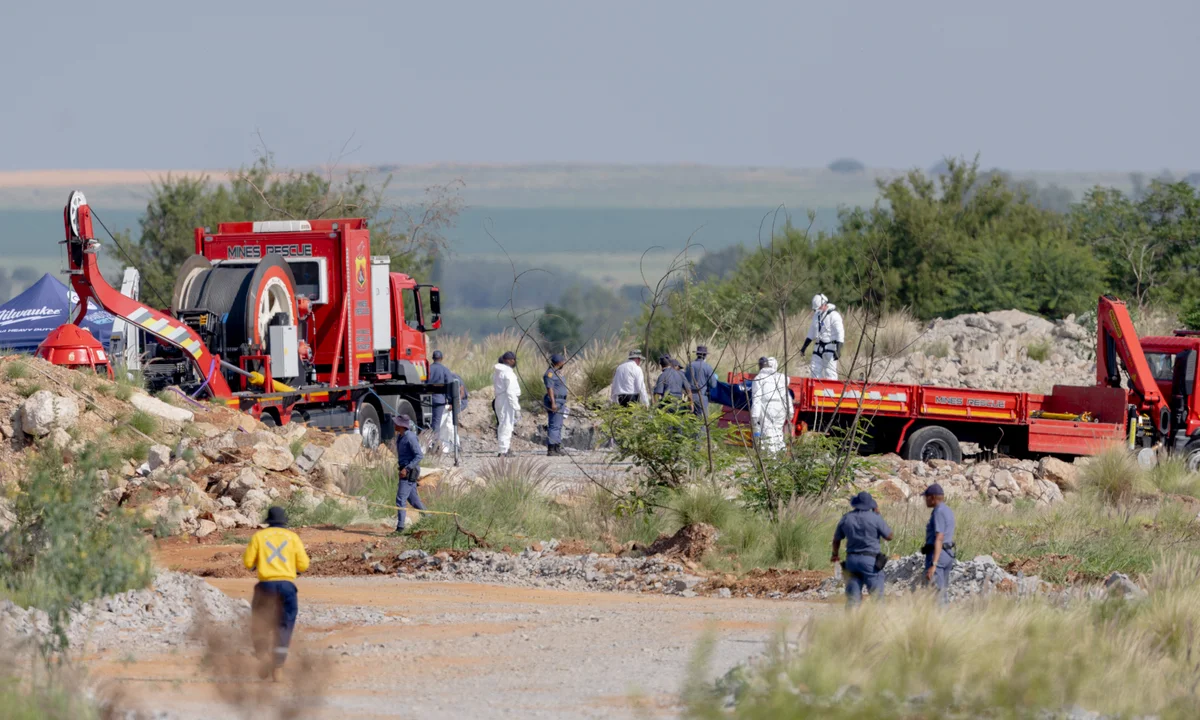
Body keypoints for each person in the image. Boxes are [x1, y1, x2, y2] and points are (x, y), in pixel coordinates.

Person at [243, 506, 310, 681]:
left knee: (260, 621)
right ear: (284, 522)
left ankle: (263, 655)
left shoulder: (259, 537)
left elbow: (248, 562)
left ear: (268, 522)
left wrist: (258, 564)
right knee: (285, 624)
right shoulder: (293, 538)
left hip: (266, 586)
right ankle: (278, 666)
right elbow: (303, 565)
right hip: (287, 587)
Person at [831, 492, 894, 607]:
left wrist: (835, 554)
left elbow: (836, 540)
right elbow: (889, 536)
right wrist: (878, 515)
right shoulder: (875, 518)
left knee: (852, 599)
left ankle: (852, 622)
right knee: (877, 597)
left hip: (851, 560)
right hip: (870, 561)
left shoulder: (846, 518)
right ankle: (879, 623)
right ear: (870, 505)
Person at [922, 483, 957, 604]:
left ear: (932, 497)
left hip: (938, 555)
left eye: (926, 497)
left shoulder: (938, 512)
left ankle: (940, 619)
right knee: (942, 592)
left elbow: (939, 537)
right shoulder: (948, 510)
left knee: (937, 595)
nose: (925, 500)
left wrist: (934, 564)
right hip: (947, 554)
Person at [800, 293, 845, 380]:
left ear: (824, 304)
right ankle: (816, 391)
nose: (817, 310)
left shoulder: (834, 315)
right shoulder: (816, 316)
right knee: (814, 371)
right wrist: (804, 347)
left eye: (819, 308)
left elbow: (840, 333)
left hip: (830, 348)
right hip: (818, 347)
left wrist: (838, 349)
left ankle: (830, 392)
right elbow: (811, 332)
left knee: (830, 373)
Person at [749, 356, 790, 453]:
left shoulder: (759, 378)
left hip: (767, 408)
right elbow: (786, 396)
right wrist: (790, 411)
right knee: (778, 434)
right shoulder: (782, 378)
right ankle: (781, 457)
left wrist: (754, 416)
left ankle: (772, 461)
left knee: (768, 435)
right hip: (781, 409)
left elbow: (757, 398)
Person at [393, 414, 425, 531]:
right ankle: (429, 518)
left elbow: (419, 456)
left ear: (401, 425)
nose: (394, 424)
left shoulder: (410, 437)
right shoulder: (400, 437)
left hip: (409, 472)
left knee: (400, 499)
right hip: (404, 470)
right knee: (414, 501)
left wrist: (406, 469)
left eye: (396, 423)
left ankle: (400, 528)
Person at [492, 351, 521, 456]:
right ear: (506, 360)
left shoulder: (498, 372)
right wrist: (516, 407)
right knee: (506, 425)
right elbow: (510, 391)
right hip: (506, 400)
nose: (514, 361)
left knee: (503, 424)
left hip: (500, 399)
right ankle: (503, 451)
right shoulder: (508, 373)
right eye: (512, 359)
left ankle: (504, 448)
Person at [543, 353, 568, 456]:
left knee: (559, 425)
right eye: (562, 361)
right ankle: (551, 449)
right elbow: (550, 389)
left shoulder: (558, 373)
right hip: (555, 401)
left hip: (561, 401)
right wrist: (553, 403)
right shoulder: (550, 374)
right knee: (554, 425)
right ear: (559, 362)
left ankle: (557, 446)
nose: (564, 363)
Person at [437, 372, 468, 455]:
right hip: (448, 404)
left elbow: (462, 392)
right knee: (445, 425)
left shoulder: (455, 378)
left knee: (450, 425)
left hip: (454, 403)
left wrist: (454, 403)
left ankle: (456, 445)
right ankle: (448, 446)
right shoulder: (444, 379)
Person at [427, 349, 453, 445]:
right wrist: (450, 401)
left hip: (426, 399)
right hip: (439, 400)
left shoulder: (428, 369)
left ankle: (428, 443)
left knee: (428, 422)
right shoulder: (445, 370)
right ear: (441, 358)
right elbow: (450, 385)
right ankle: (435, 445)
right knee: (436, 423)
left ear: (433, 358)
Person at [684, 346, 718, 419]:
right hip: (702, 397)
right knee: (702, 422)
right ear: (705, 356)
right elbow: (713, 384)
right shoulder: (707, 367)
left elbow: (685, 381)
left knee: (690, 420)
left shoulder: (689, 365)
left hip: (690, 397)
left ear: (697, 354)